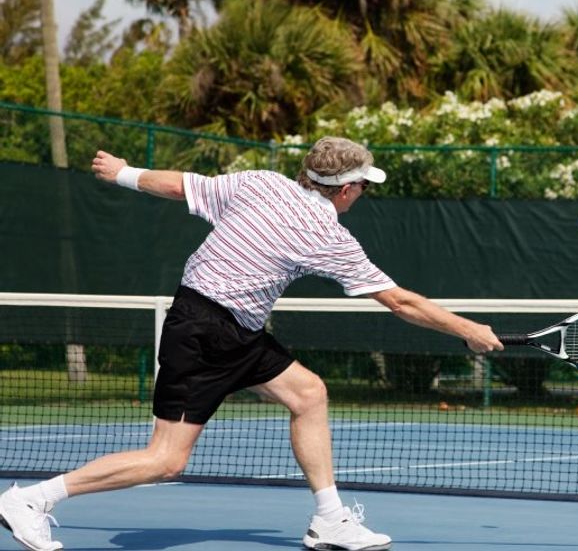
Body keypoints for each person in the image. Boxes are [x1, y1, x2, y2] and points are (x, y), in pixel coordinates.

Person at [0, 137, 502, 551]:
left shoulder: (260, 183)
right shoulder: (327, 236)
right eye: (362, 186)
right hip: (203, 331)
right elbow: (401, 303)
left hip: (233, 329)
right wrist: (469, 330)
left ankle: (329, 519)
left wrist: (125, 172)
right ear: (345, 190)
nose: (362, 193)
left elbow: (180, 186)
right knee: (166, 461)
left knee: (308, 393)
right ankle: (32, 499)